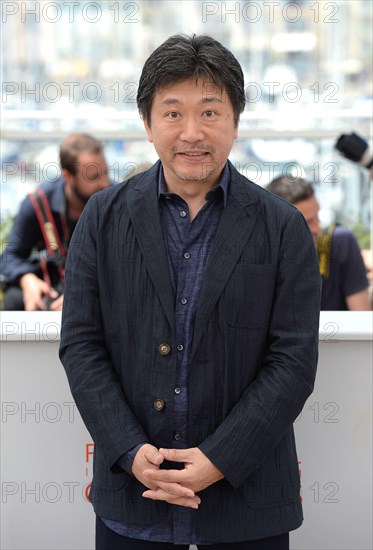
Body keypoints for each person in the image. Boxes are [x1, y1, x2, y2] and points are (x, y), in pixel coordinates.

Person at [60, 35, 321, 550]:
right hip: (134, 501)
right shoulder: (103, 217)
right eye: (173, 113)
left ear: (236, 121)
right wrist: (131, 450)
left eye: (210, 112)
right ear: (148, 124)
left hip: (247, 508)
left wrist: (221, 458)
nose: (192, 133)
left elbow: (292, 361)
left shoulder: (283, 228)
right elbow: (82, 345)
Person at [0, 133, 110, 311]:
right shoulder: (36, 205)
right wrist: (27, 279)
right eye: (93, 176)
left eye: (105, 172)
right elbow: (10, 256)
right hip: (52, 290)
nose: (105, 183)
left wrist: (85, 294)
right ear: (68, 177)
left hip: (99, 290)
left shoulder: (116, 201)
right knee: (15, 298)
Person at [266, 176, 370, 310]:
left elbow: (361, 321)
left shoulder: (340, 244)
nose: (318, 228)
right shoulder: (259, 260)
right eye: (308, 222)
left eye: (317, 216)